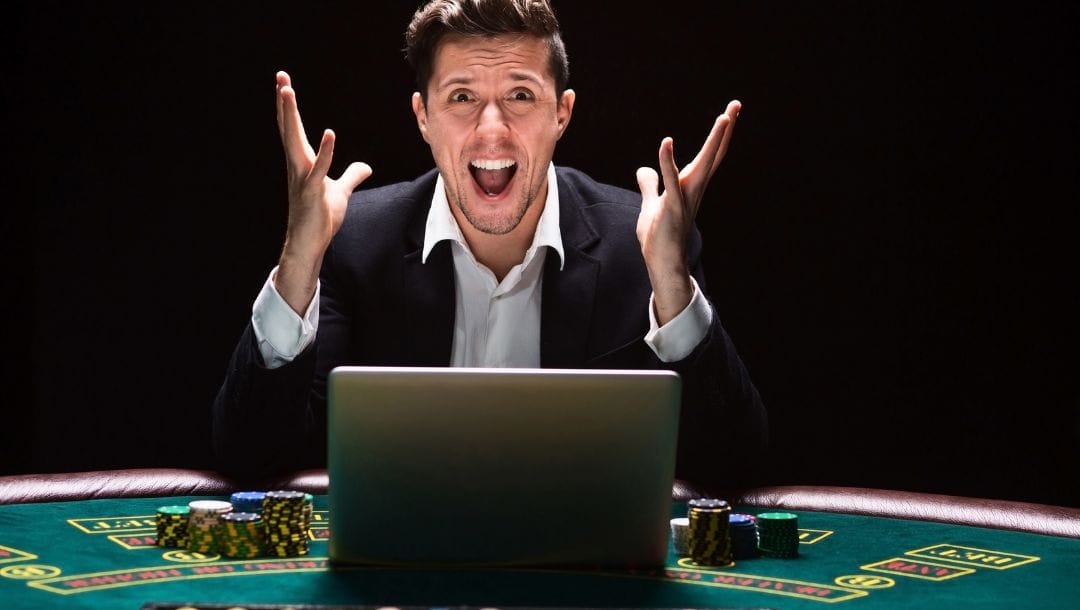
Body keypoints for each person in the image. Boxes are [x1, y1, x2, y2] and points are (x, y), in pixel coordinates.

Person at [213, 0, 767, 485]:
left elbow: (734, 464)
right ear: (423, 117)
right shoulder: (354, 242)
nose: (492, 129)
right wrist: (297, 262)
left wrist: (671, 283)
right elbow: (250, 456)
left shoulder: (642, 247)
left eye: (521, 95)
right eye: (461, 98)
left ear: (562, 114)